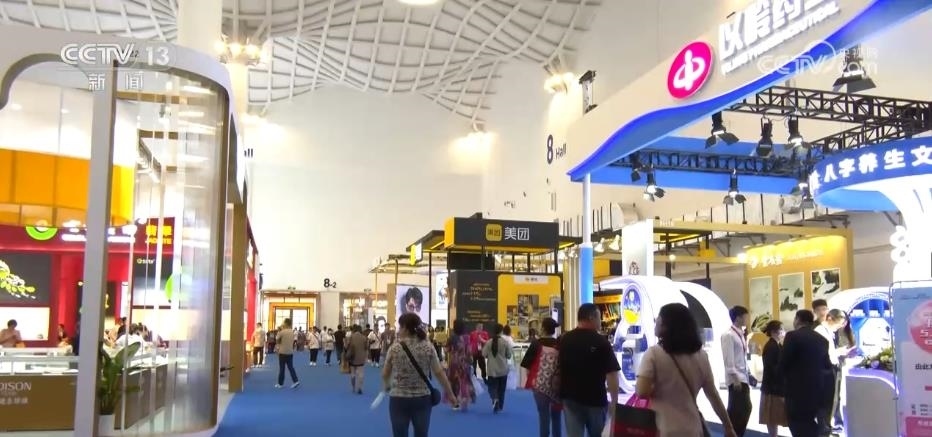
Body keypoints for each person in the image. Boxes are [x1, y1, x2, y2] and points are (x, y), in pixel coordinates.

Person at [636, 303, 736, 437]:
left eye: (657, 320)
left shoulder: (653, 354)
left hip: (663, 428)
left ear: (665, 325)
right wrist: (728, 426)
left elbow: (642, 392)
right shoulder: (701, 356)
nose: (655, 324)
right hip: (693, 428)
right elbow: (713, 395)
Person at [382, 313, 458, 437]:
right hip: (422, 398)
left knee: (399, 434)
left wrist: (387, 385)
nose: (398, 330)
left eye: (400, 327)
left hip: (398, 398)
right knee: (421, 433)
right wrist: (450, 394)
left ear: (406, 328)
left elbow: (385, 373)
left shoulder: (394, 348)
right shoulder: (428, 347)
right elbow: (439, 373)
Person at [558, 304, 620, 437]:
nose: (600, 321)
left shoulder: (565, 339)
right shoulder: (601, 342)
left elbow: (558, 368)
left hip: (570, 398)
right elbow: (612, 373)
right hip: (595, 399)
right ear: (592, 317)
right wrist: (614, 401)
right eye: (599, 317)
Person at [779, 310, 832, 437]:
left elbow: (784, 363)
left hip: (796, 391)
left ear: (798, 319)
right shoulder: (822, 340)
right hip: (817, 390)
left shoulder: (792, 336)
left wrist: (780, 387)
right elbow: (827, 366)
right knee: (808, 423)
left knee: (797, 425)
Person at [521, 317, 561, 437]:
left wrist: (532, 377)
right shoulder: (560, 344)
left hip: (539, 385)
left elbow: (527, 365)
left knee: (544, 416)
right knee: (556, 416)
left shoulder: (536, 344)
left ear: (543, 328)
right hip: (557, 386)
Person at [815, 309, 849, 436]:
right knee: (826, 402)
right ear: (830, 319)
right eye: (838, 324)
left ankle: (828, 427)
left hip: (833, 369)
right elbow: (823, 354)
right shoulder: (820, 331)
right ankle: (824, 428)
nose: (839, 327)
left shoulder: (830, 332)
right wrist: (839, 352)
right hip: (825, 371)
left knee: (833, 400)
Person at [722, 305, 752, 436]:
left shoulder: (740, 334)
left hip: (743, 377)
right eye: (745, 316)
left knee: (745, 409)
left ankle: (737, 434)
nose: (747, 319)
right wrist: (735, 379)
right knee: (737, 412)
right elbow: (728, 359)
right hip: (736, 379)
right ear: (738, 318)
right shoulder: (728, 335)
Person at [759, 320, 787, 437]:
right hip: (772, 387)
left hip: (775, 386)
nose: (784, 332)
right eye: (782, 330)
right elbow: (771, 367)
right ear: (774, 332)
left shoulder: (777, 345)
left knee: (774, 416)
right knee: (771, 417)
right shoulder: (771, 346)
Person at [445, 319, 476, 411]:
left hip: (454, 362)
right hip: (464, 362)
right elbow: (469, 351)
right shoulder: (467, 338)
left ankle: (455, 403)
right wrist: (470, 359)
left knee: (453, 382)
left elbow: (447, 350)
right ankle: (465, 397)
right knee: (465, 381)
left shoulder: (452, 338)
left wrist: (453, 351)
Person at [482, 323, 512, 413]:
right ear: (501, 331)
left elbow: (484, 354)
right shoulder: (505, 342)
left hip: (492, 370)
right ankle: (500, 406)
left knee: (492, 387)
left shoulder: (488, 342)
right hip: (503, 369)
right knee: (501, 390)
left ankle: (495, 399)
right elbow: (509, 355)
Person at [274, 318, 300, 389]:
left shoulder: (282, 332)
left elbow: (277, 339)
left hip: (282, 352)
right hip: (290, 352)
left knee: (282, 368)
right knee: (291, 367)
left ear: (285, 323)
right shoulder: (292, 332)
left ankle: (280, 384)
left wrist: (280, 329)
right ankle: (296, 380)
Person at [346, 324, 369, 394]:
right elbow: (366, 347)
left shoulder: (351, 337)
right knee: (360, 373)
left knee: (353, 373)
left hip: (352, 357)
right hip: (361, 358)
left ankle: (353, 387)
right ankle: (360, 387)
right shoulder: (364, 337)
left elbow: (347, 346)